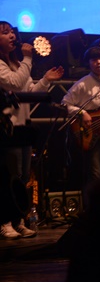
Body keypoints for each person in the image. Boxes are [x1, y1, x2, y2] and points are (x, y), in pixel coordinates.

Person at [1, 21, 64, 239]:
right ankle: (4, 221)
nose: (12, 35)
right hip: (6, 128)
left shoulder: (19, 65)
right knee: (9, 176)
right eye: (5, 33)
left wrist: (45, 80)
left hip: (22, 126)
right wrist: (28, 58)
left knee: (23, 176)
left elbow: (29, 92)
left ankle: (18, 220)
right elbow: (14, 83)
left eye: (12, 32)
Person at [61, 46, 100, 207]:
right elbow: (64, 103)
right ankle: (93, 208)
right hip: (91, 131)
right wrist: (82, 113)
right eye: (94, 59)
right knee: (95, 172)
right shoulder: (83, 83)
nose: (98, 62)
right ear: (89, 63)